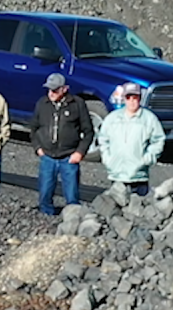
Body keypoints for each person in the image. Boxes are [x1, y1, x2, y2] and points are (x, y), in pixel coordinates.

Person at [31, 73, 93, 215]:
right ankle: (45, 219)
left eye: (55, 90)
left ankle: (73, 219)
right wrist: (37, 148)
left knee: (72, 195)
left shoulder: (77, 104)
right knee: (45, 193)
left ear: (64, 89)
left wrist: (80, 152)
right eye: (49, 89)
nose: (51, 93)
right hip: (47, 156)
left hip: (69, 157)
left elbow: (88, 131)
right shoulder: (42, 103)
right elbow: (33, 128)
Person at [99, 82, 165, 196]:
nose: (132, 101)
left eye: (135, 97)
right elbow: (103, 139)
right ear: (124, 98)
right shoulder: (112, 118)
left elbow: (158, 140)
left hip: (139, 176)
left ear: (140, 98)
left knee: (139, 211)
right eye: (128, 97)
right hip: (117, 174)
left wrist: (147, 159)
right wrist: (107, 158)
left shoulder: (149, 119)